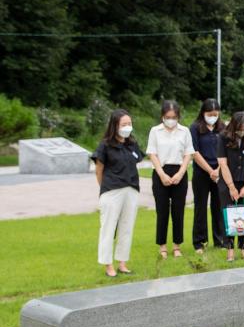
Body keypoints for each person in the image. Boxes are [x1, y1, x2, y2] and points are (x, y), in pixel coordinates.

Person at [92, 109, 143, 278]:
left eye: (129, 124)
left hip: (131, 190)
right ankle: (108, 265)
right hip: (112, 190)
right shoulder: (105, 145)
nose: (127, 127)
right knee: (108, 228)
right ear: (115, 125)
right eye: (124, 124)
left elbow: (137, 161)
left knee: (126, 227)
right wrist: (104, 188)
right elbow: (99, 169)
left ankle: (122, 262)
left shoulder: (132, 144)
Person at [147, 100, 194, 258]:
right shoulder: (155, 131)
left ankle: (176, 245)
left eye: (174, 117)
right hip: (161, 171)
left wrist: (181, 173)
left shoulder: (184, 131)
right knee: (162, 211)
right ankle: (162, 246)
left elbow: (188, 153)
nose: (171, 120)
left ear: (178, 117)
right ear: (162, 116)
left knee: (178, 210)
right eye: (168, 117)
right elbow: (152, 153)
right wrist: (162, 174)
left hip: (179, 171)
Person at [217, 111, 244, 261]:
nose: (242, 132)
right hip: (228, 182)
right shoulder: (223, 137)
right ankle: (229, 249)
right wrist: (231, 187)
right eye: (239, 129)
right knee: (229, 215)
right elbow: (222, 163)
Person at [190, 98, 225, 253]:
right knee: (200, 207)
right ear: (203, 113)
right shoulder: (195, 128)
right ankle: (200, 242)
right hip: (201, 173)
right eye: (210, 114)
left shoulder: (222, 128)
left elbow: (226, 151)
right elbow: (194, 152)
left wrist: (217, 169)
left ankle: (220, 240)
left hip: (219, 172)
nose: (213, 116)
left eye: (215, 114)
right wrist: (210, 171)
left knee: (218, 207)